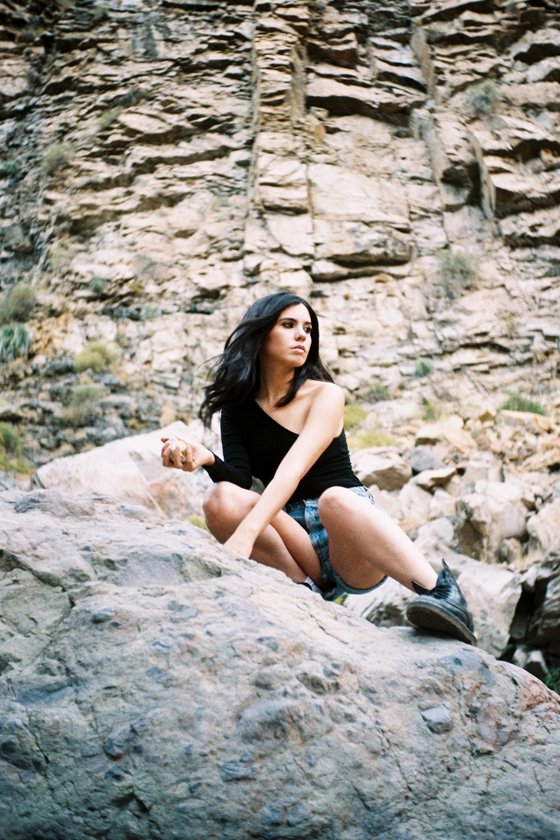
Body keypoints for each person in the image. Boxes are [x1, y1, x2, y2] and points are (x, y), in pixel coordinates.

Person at [161, 292, 476, 645]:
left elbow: (291, 471)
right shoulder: (238, 409)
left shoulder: (326, 395)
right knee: (218, 497)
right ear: (261, 335)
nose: (302, 335)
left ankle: (442, 594)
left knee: (334, 499)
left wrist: (244, 537)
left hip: (350, 538)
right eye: (288, 325)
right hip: (297, 542)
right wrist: (205, 457)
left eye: (308, 329)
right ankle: (302, 591)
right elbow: (239, 480)